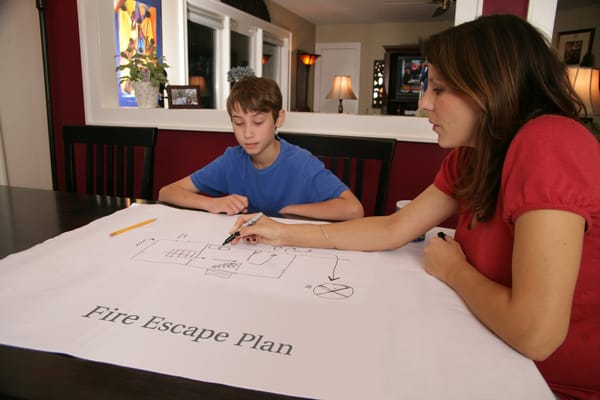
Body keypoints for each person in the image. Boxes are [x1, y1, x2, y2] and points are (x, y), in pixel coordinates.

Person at [229, 15, 600, 399]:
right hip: (492, 349)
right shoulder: (475, 157)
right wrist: (283, 232)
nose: (424, 104)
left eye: (438, 89)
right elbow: (393, 228)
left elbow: (536, 335)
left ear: (490, 87)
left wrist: (455, 271)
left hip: (548, 383)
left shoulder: (550, 142)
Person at [158, 76, 364, 221]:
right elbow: (167, 193)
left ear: (278, 119)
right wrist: (212, 204)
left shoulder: (300, 162)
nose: (247, 133)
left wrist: (290, 211)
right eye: (238, 123)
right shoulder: (232, 159)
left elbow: (353, 209)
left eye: (258, 122)